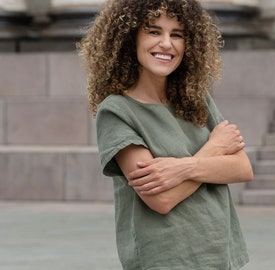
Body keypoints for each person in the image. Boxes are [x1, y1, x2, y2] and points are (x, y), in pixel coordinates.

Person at [78, 0, 254, 269]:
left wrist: (182, 169)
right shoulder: (116, 111)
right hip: (164, 260)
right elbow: (160, 199)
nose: (166, 44)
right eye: (153, 31)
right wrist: (212, 152)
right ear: (129, 37)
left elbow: (242, 168)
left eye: (177, 34)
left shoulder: (197, 100)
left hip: (218, 254)